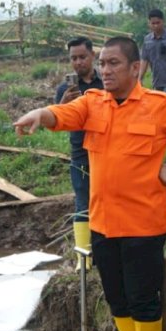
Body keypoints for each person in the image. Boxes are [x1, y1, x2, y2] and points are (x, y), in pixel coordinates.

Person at [13, 36, 166, 331]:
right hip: (103, 222)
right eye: (102, 63)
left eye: (113, 63)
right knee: (116, 297)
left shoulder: (158, 105)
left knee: (142, 298)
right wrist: (40, 115)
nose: (105, 70)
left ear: (136, 68)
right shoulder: (92, 103)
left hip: (143, 223)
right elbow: (61, 116)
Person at [54, 36, 103, 268]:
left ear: (92, 55)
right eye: (73, 58)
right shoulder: (65, 89)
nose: (78, 62)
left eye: (82, 57)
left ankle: (104, 249)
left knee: (106, 201)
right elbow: (56, 120)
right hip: (80, 153)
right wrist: (63, 105)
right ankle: (83, 258)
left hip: (106, 151)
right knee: (83, 203)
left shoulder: (105, 83)